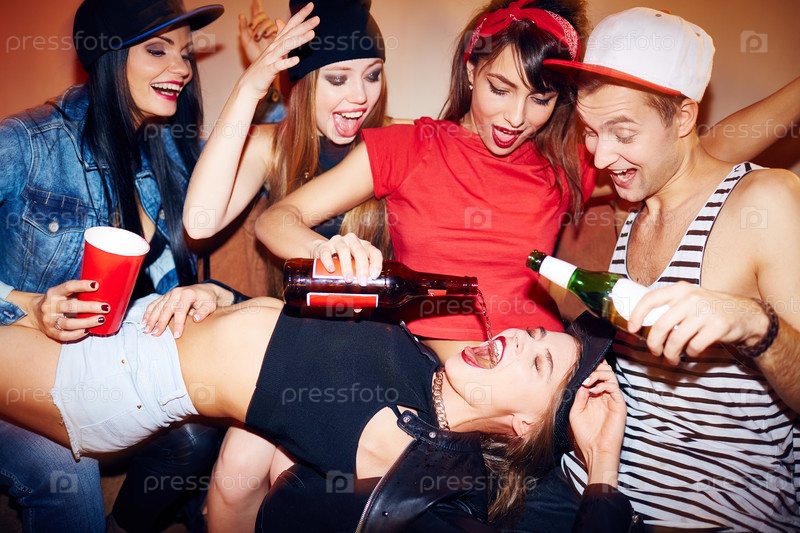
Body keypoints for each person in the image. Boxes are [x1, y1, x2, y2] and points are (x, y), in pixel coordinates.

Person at [0, 286, 633, 531]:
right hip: (156, 319)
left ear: (524, 425)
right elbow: (280, 352)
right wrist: (219, 298)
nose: (519, 339)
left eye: (538, 363)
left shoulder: (416, 465)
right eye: (532, 333)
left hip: (121, 381)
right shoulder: (424, 373)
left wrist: (602, 466)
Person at [540, 7, 800, 531]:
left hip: (710, 513)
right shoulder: (631, 209)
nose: (600, 156)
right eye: (591, 132)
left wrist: (757, 325)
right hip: (590, 484)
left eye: (622, 132)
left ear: (682, 118)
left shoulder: (763, 201)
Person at [0, 1, 239, 531]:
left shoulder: (169, 147)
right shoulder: (27, 143)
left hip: (108, 361)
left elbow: (254, 155)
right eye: (157, 50)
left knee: (199, 427)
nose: (180, 68)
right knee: (65, 472)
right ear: (107, 57)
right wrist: (25, 305)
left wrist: (276, 81)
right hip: (15, 367)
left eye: (185, 54)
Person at [182, 1, 394, 528]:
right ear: (303, 83)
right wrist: (251, 84)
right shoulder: (273, 147)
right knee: (232, 475)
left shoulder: (395, 143)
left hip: (371, 344)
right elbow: (199, 223)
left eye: (372, 75)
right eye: (338, 78)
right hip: (292, 337)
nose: (360, 96)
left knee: (286, 477)